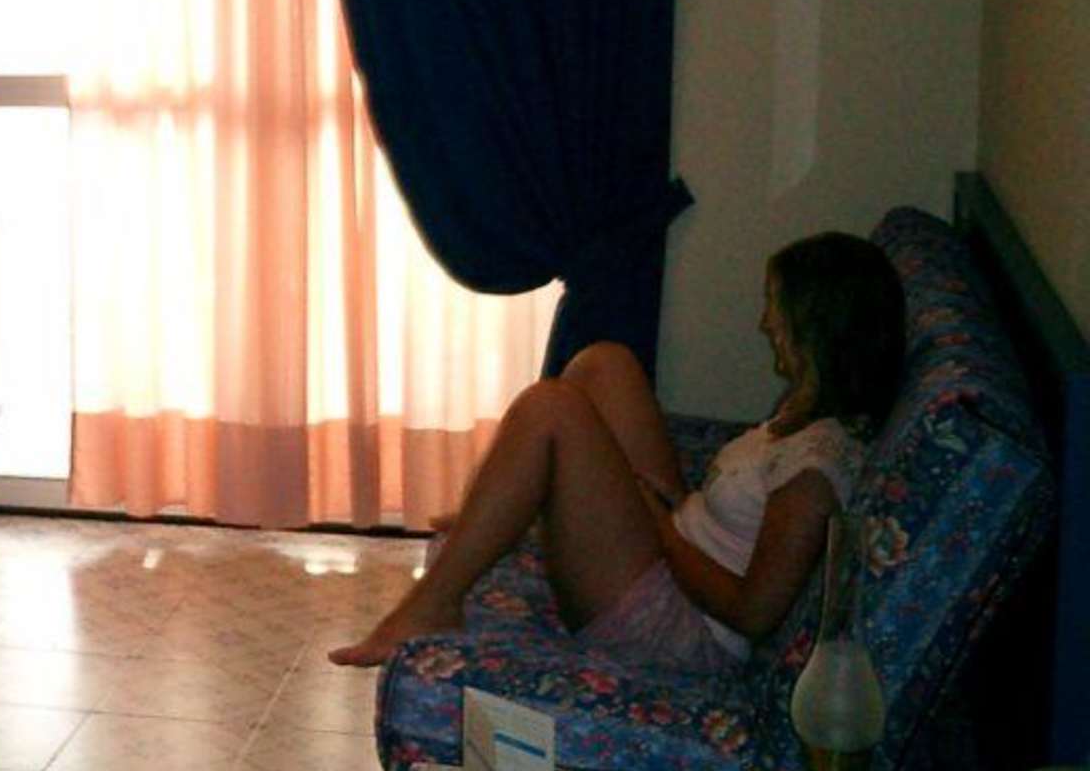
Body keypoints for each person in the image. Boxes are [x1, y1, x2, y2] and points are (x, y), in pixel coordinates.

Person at [327, 232, 906, 672]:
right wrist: (665, 514)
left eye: (776, 308)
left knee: (550, 408)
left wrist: (658, 527)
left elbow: (752, 614)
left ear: (814, 328)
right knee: (605, 364)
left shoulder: (817, 470)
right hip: (681, 540)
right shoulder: (811, 410)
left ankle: (435, 601)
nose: (765, 323)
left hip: (681, 626)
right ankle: (502, 512)